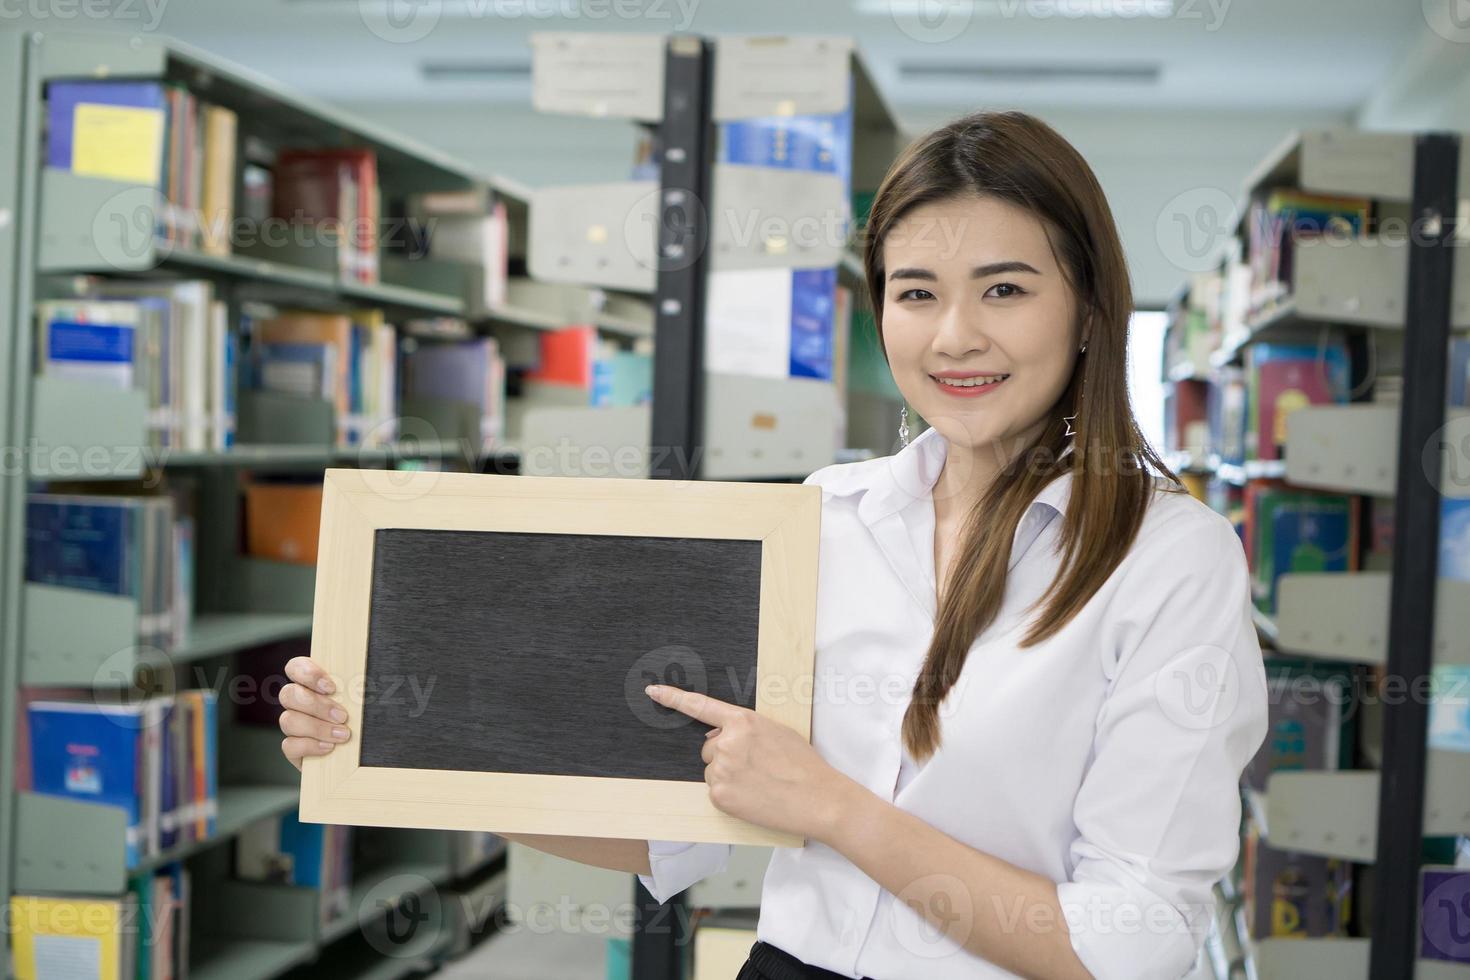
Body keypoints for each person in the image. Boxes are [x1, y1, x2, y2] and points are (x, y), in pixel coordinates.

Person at [278, 109, 1268, 980]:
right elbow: (672, 836)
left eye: (1004, 290)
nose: (954, 335)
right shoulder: (822, 517)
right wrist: (399, 736)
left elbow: (1128, 941)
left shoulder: (1172, 559)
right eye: (916, 292)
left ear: (1091, 310)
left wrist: (835, 807)